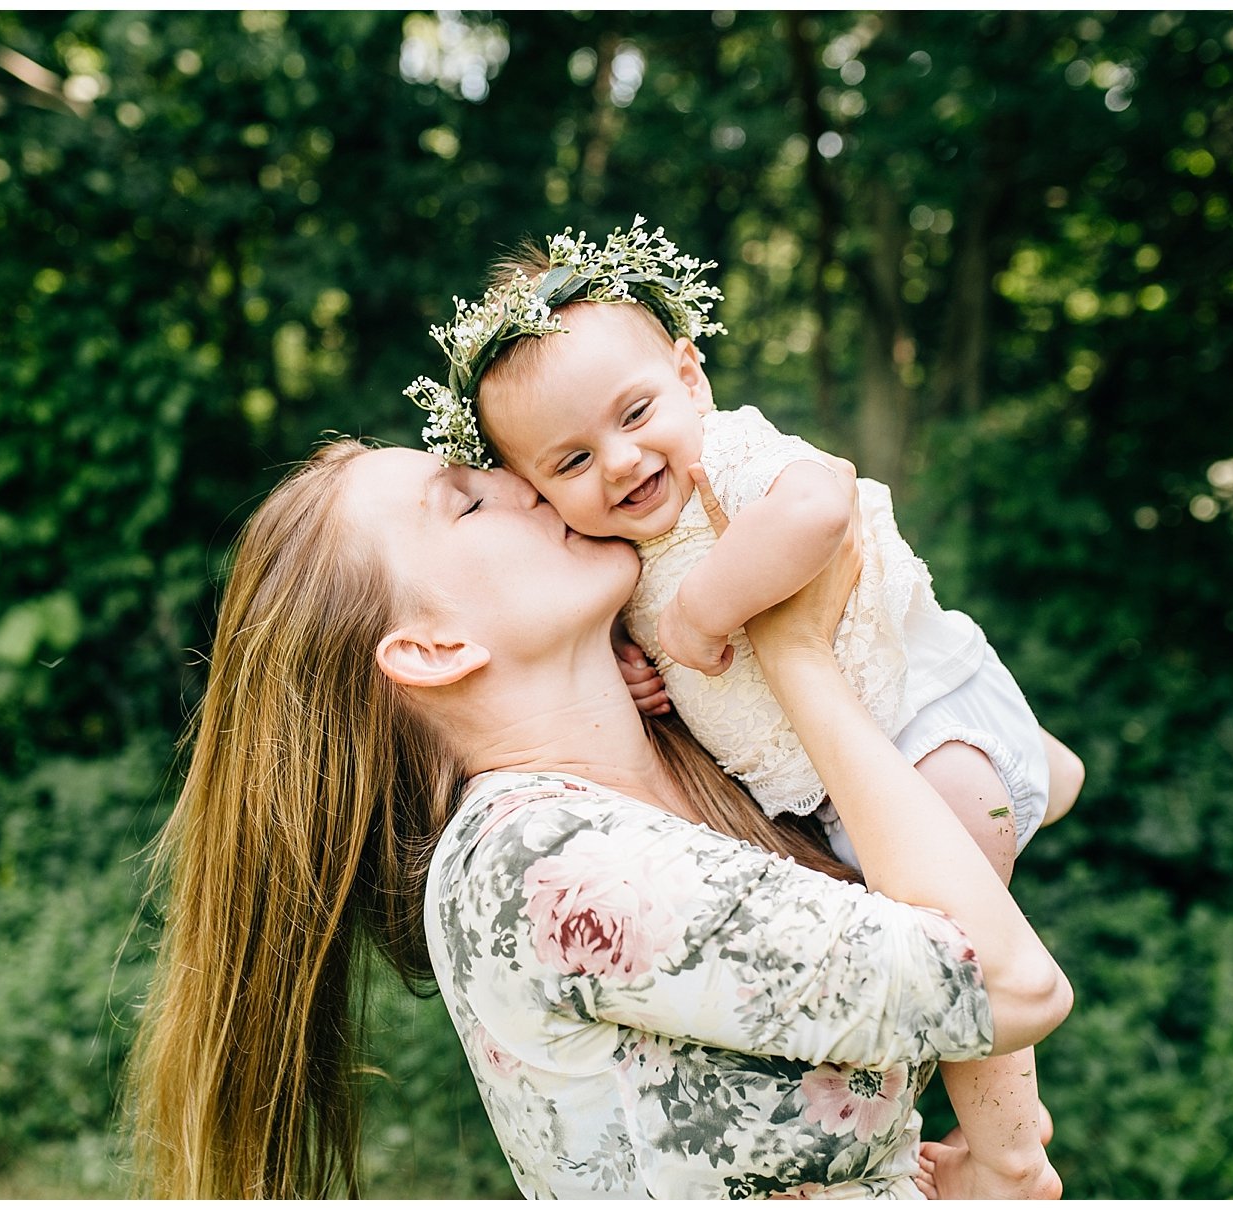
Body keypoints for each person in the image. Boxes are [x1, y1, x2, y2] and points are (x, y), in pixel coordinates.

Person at [126, 437, 1072, 1197]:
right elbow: (1013, 987)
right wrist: (800, 654)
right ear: (432, 647)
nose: (521, 481)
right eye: (465, 499)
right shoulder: (538, 865)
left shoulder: (701, 769)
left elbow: (1042, 778)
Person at [404, 216, 1084, 1196]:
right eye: (570, 463)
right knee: (942, 920)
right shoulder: (617, 564)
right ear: (539, 491)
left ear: (690, 376)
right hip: (834, 779)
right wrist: (650, 673)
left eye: (634, 413)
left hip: (924, 720)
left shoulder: (729, 458)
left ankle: (1015, 1153)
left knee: (964, 933)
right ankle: (1045, 779)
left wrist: (704, 613)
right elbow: (687, 670)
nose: (622, 461)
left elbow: (822, 506)